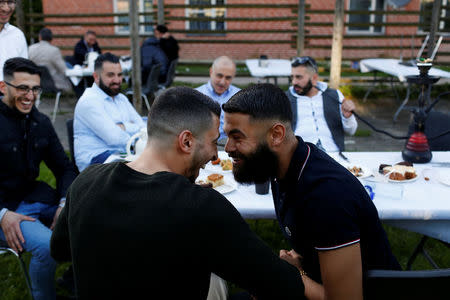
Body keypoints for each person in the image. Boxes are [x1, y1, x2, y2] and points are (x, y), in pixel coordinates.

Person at [51, 86, 306, 300]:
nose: (217, 155)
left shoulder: (86, 181)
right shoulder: (200, 207)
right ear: (186, 142)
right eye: (213, 142)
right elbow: (278, 284)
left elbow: (60, 250)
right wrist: (294, 270)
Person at [223, 83, 401, 300]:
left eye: (237, 137)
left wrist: (291, 274)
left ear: (276, 135)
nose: (227, 147)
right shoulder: (285, 164)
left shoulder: (327, 197)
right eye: (227, 136)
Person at [0, 57, 77, 300]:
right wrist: (1, 214)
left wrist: (64, 204)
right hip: (5, 210)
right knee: (47, 247)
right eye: (22, 88)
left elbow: (65, 168)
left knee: (92, 216)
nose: (30, 96)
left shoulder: (40, 121)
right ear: (3, 87)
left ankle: (78, 283)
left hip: (35, 198)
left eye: (35, 88)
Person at [74, 52, 145, 172]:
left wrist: (123, 127)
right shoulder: (89, 101)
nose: (117, 80)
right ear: (96, 77)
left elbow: (143, 127)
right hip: (96, 161)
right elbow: (115, 138)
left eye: (120, 75)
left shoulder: (121, 98)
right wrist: (137, 135)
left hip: (122, 155)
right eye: (111, 75)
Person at [286, 56, 357, 152]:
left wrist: (347, 117)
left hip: (334, 156)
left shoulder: (335, 95)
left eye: (299, 77)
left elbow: (352, 131)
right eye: (292, 77)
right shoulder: (285, 99)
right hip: (301, 157)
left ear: (314, 78)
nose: (294, 82)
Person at [196, 56, 240, 144]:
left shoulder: (240, 96)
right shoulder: (196, 95)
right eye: (219, 76)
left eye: (228, 78)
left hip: (230, 143)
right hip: (203, 143)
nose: (222, 82)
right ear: (211, 71)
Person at [28, 27, 72, 92]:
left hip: (35, 82)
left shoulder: (30, 48)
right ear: (51, 38)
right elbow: (64, 69)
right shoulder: (54, 50)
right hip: (54, 83)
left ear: (40, 37)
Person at [0, 0, 27, 83]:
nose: (6, 8)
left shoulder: (17, 35)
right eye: (1, 2)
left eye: (10, 2)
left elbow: (23, 71)